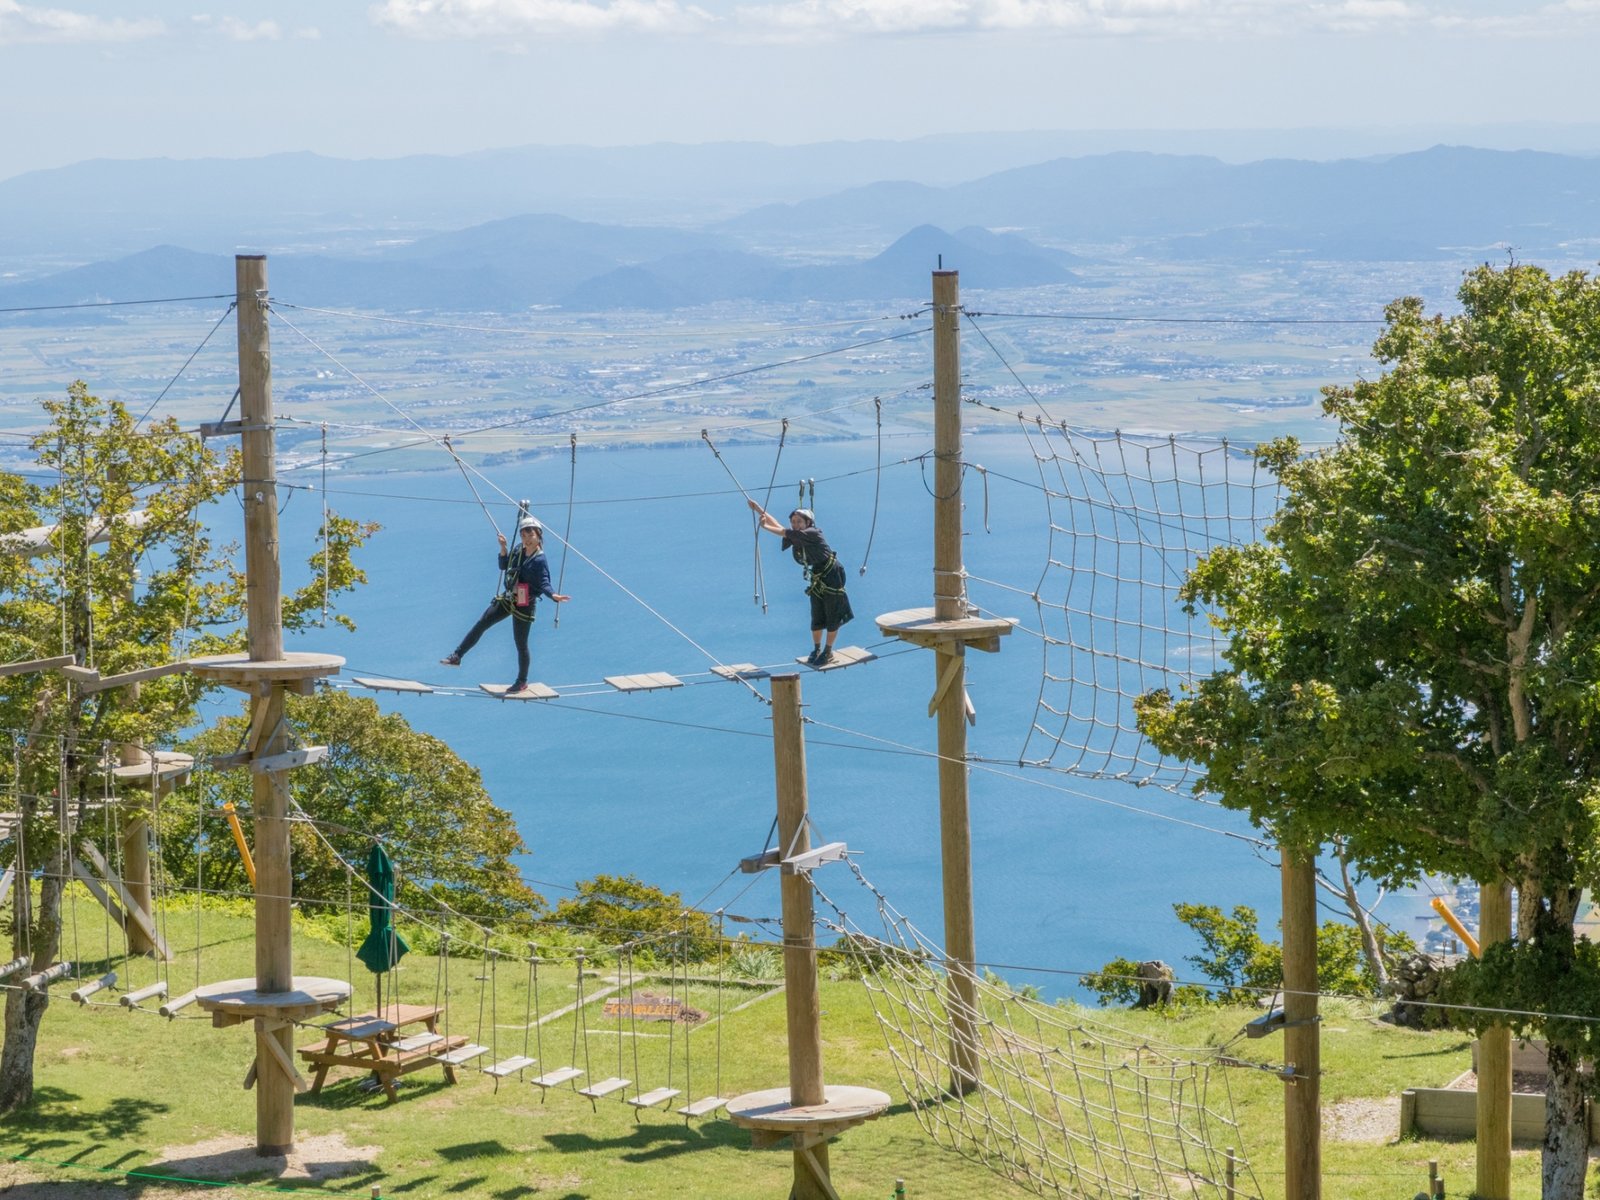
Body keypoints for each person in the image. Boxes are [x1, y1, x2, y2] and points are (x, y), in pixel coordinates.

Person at [441, 516, 569, 693]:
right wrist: (503, 548)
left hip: (524, 603)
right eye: (524, 536)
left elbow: (544, 582)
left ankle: (522, 681)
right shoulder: (519, 550)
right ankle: (457, 656)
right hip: (509, 597)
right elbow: (504, 566)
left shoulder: (539, 560)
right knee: (482, 623)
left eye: (529, 535)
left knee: (521, 643)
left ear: (538, 535)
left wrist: (553, 595)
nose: (526, 539)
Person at [748, 500, 854, 665]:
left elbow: (782, 531)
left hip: (832, 574)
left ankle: (828, 651)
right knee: (817, 612)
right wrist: (759, 510)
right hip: (818, 574)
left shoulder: (812, 533)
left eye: (799, 521)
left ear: (808, 523)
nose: (795, 525)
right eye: (793, 522)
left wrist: (764, 527)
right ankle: (817, 648)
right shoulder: (798, 535)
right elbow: (779, 526)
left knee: (832, 612)